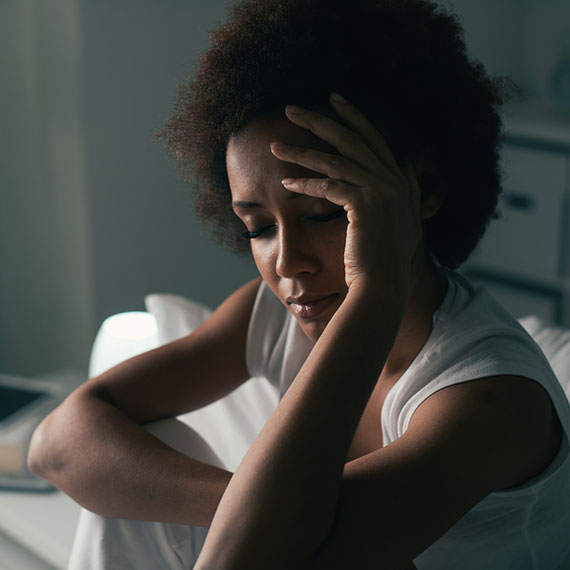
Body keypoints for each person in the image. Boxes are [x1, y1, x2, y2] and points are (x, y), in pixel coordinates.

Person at [28, 0, 570, 568]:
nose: (287, 263)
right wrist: (253, 504)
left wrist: (374, 294)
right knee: (146, 455)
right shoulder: (269, 315)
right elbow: (55, 443)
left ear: (423, 192)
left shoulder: (489, 401)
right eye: (258, 227)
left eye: (322, 213)